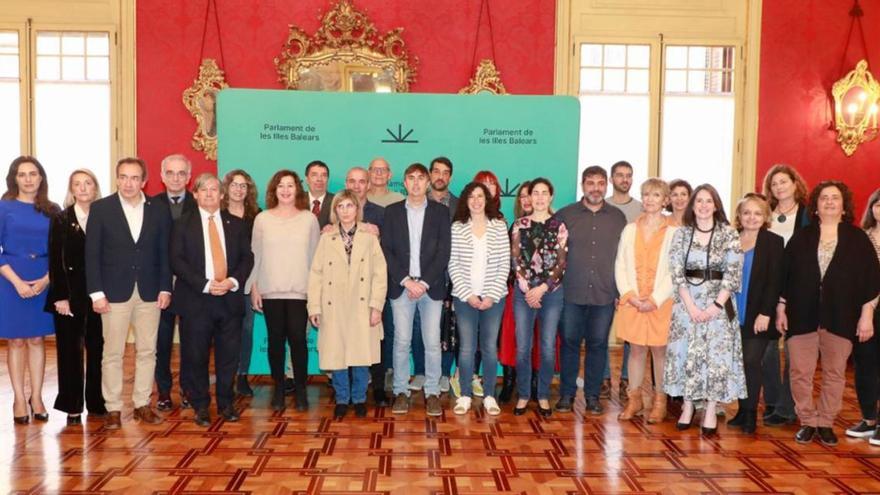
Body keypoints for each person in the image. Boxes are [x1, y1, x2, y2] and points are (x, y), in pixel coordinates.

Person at [777, 180, 880, 446]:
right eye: (824, 198)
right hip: (802, 316)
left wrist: (866, 315)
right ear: (816, 205)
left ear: (844, 206)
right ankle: (807, 421)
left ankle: (825, 422)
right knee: (800, 372)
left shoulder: (858, 239)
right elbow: (785, 277)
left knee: (835, 373)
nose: (830, 202)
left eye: (835, 198)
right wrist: (781, 308)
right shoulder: (802, 237)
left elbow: (871, 281)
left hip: (841, 317)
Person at [86, 157, 172, 429]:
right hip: (113, 293)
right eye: (123, 177)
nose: (128, 183)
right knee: (112, 353)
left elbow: (164, 252)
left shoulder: (158, 209)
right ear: (116, 179)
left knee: (148, 350)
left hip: (149, 292)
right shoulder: (101, 209)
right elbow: (92, 254)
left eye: (134, 178)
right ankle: (113, 407)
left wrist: (165, 287)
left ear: (144, 181)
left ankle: (141, 404)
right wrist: (96, 293)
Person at [171, 173, 253, 426]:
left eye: (214, 190)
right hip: (196, 300)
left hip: (229, 299)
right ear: (195, 194)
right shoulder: (182, 224)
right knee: (196, 356)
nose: (209, 194)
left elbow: (246, 259)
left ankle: (226, 403)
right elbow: (177, 260)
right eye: (203, 190)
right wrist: (205, 285)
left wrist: (232, 282)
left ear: (221, 195)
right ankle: (201, 405)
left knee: (229, 356)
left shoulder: (236, 224)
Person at [664, 184, 745, 436]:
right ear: (692, 205)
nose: (703, 205)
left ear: (716, 205)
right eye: (699, 200)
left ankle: (711, 408)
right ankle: (688, 407)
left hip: (719, 307)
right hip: (686, 305)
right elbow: (676, 272)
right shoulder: (681, 234)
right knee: (687, 355)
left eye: (708, 200)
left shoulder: (729, 234)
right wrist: (690, 306)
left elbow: (733, 274)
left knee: (715, 360)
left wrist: (716, 305)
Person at [307, 190, 388, 419]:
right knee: (337, 354)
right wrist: (314, 307)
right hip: (334, 305)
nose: (345, 210)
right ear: (335, 211)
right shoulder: (327, 238)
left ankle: (360, 398)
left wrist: (376, 306)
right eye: (340, 206)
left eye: (349, 206)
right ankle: (342, 398)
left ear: (357, 209)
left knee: (361, 354)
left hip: (362, 305)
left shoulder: (370, 237)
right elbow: (316, 274)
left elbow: (380, 274)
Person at [555, 166, 627, 415]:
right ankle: (566, 395)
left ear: (606, 185)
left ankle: (593, 396)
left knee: (598, 345)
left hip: (605, 294)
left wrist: (621, 291)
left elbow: (623, 258)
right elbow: (555, 256)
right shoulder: (565, 215)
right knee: (570, 344)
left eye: (600, 183)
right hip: (571, 292)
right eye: (590, 183)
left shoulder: (618, 218)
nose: (595, 188)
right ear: (582, 185)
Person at [382, 163, 451, 417]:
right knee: (401, 341)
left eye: (421, 178)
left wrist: (423, 283)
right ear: (404, 182)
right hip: (401, 287)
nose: (416, 183)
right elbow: (386, 249)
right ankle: (401, 391)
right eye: (411, 178)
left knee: (432, 342)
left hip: (430, 287)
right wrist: (406, 280)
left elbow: (444, 252)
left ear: (428, 182)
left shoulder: (440, 213)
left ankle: (432, 392)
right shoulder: (392, 212)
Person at [250, 170, 320, 412]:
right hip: (271, 291)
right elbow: (255, 256)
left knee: (299, 341)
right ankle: (278, 388)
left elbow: (315, 258)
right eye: (281, 185)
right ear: (274, 190)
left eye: (290, 185)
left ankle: (300, 389)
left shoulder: (309, 219)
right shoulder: (263, 219)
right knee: (276, 343)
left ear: (298, 190)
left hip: (300, 291)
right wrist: (254, 287)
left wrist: (316, 292)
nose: (286, 190)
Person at [46, 168, 107, 426]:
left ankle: (96, 402)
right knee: (70, 352)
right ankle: (72, 405)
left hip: (98, 294)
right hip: (69, 295)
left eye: (88, 183)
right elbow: (56, 259)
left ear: (95, 188)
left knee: (97, 349)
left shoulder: (106, 216)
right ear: (71, 190)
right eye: (77, 184)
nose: (83, 188)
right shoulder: (61, 219)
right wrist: (60, 296)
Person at [0, 156, 58, 425]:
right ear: (14, 178)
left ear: (41, 178)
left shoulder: (52, 209)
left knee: (37, 340)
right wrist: (18, 282)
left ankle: (36, 397)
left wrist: (47, 279)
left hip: (44, 278)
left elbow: (61, 251)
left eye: (33, 173)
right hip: (11, 280)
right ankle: (19, 399)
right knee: (16, 341)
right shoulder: (4, 207)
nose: (28, 179)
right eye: (22, 174)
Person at [614, 178, 676, 424]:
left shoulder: (674, 233)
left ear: (665, 200)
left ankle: (660, 402)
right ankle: (635, 399)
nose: (650, 199)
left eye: (656, 195)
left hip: (660, 302)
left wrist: (655, 298)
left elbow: (675, 270)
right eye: (647, 194)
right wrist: (629, 294)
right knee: (636, 351)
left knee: (660, 352)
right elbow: (620, 264)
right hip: (634, 302)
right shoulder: (630, 229)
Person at [448, 182, 510, 415]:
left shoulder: (499, 226)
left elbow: (505, 264)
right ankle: (464, 394)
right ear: (466, 200)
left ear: (487, 200)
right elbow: (452, 263)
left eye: (480, 196)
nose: (476, 200)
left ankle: (490, 395)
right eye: (471, 196)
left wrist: (491, 296)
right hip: (465, 298)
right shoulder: (457, 227)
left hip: (494, 299)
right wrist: (468, 295)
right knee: (466, 348)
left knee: (489, 348)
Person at [727, 193, 784, 434]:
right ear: (739, 216)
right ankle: (741, 410)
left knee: (751, 361)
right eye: (747, 212)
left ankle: (750, 414)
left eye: (757, 213)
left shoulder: (773, 241)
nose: (752, 217)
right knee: (738, 363)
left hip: (759, 314)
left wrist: (766, 312)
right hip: (731, 311)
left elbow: (775, 280)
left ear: (765, 217)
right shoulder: (730, 240)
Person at [511, 178, 568, 417]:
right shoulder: (518, 225)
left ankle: (543, 395)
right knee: (523, 347)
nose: (540, 197)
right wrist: (527, 289)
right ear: (529, 197)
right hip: (523, 294)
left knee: (546, 347)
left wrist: (542, 288)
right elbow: (515, 259)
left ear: (551, 197)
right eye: (536, 193)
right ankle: (524, 394)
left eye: (545, 193)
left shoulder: (560, 226)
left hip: (551, 294)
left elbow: (561, 263)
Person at [760, 164, 810, 427]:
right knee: (766, 349)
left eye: (783, 182)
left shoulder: (807, 215)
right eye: (774, 184)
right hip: (767, 289)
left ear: (794, 183)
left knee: (793, 352)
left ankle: (787, 408)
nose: (778, 187)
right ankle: (773, 400)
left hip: (798, 291)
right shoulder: (764, 213)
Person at [408, 156, 458, 393]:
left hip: (452, 277)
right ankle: (420, 371)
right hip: (420, 278)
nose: (440, 176)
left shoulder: (460, 205)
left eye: (445, 172)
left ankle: (444, 373)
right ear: (429, 176)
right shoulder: (415, 202)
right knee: (418, 327)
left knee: (447, 327)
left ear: (450, 177)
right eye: (436, 171)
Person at [152, 154, 196, 412]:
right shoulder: (150, 204)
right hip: (160, 285)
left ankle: (189, 389)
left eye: (181, 173)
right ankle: (165, 392)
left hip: (190, 285)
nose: (176, 178)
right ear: (162, 176)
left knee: (192, 343)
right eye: (170, 172)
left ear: (189, 177)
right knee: (162, 343)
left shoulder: (199, 204)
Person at [345, 166, 389, 406]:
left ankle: (380, 388)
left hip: (373, 288)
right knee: (348, 337)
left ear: (368, 184)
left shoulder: (381, 213)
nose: (357, 186)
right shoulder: (337, 210)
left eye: (362, 181)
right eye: (352, 181)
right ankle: (350, 388)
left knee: (377, 339)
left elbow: (389, 251)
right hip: (344, 291)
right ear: (346, 183)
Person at [220, 169, 261, 397]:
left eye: (243, 185)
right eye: (234, 185)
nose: (238, 189)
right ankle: (225, 376)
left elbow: (260, 252)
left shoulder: (257, 215)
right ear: (226, 188)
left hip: (249, 281)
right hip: (222, 281)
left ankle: (242, 375)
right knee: (224, 331)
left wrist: (255, 283)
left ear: (249, 190)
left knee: (246, 330)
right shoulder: (217, 213)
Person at [604, 160, 642, 399]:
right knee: (602, 330)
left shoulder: (641, 209)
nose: (624, 179)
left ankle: (628, 380)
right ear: (611, 179)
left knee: (631, 335)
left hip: (633, 280)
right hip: (606, 278)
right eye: (619, 175)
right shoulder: (603, 205)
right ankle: (604, 378)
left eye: (628, 175)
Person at [847, 188, 880, 445]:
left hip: (871, 308)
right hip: (863, 312)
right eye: (878, 204)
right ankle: (869, 419)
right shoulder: (862, 238)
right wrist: (865, 310)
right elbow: (857, 279)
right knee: (865, 365)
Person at [498, 180, 533, 404]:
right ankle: (509, 381)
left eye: (532, 195)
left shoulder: (552, 224)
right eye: (523, 196)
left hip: (542, 293)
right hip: (515, 290)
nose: (528, 200)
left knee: (538, 338)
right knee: (511, 337)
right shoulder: (514, 226)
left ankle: (534, 382)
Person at [306, 160, 334, 228]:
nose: (319, 179)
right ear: (307, 179)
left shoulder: (336, 201)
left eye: (324, 175)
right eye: (314, 175)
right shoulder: (296, 200)